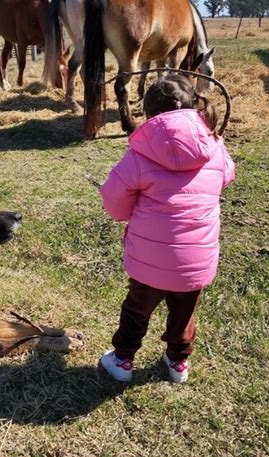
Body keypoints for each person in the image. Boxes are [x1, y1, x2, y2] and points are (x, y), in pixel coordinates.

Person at [99, 75, 235, 383]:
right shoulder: (214, 145)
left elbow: (115, 202)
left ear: (149, 114)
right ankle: (178, 363)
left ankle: (122, 360)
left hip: (149, 259)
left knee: (136, 309)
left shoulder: (139, 152)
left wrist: (128, 212)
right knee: (184, 312)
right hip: (196, 260)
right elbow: (227, 175)